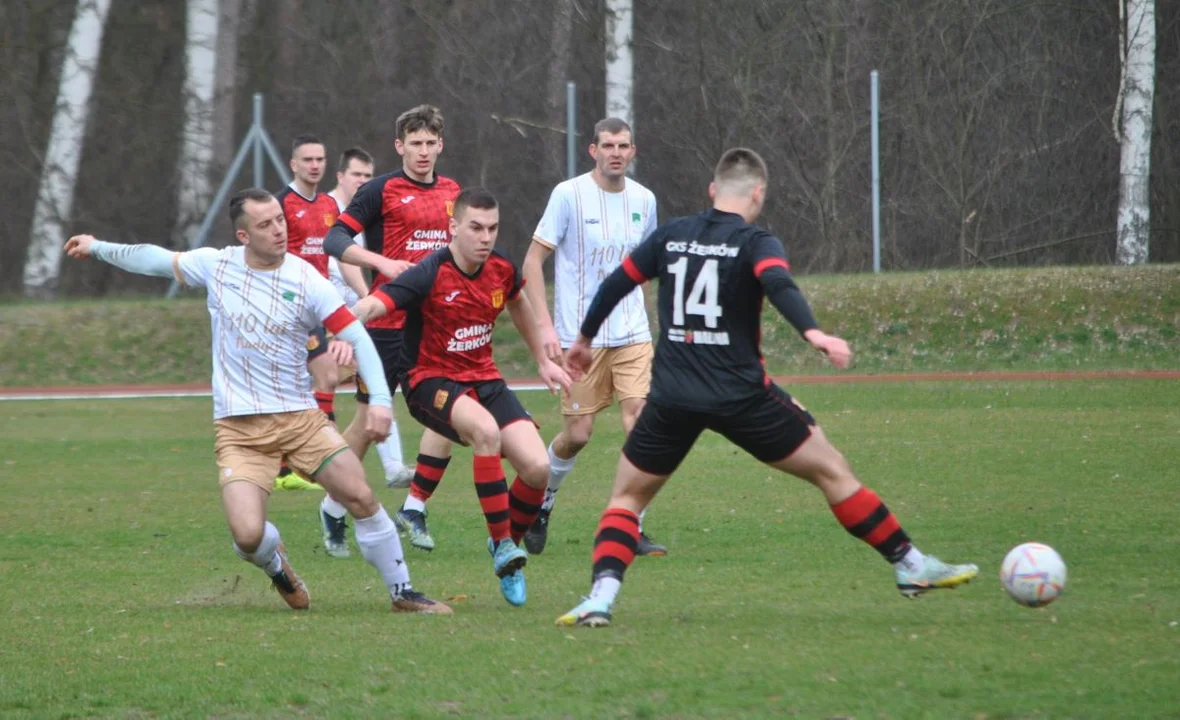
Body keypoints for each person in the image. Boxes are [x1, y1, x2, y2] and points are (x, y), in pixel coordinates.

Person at [556, 149, 978, 628]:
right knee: (834, 471)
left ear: (713, 190)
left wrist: (585, 339)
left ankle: (601, 598)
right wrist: (813, 333)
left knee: (626, 499)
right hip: (742, 398)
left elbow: (618, 282)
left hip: (673, 396)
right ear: (758, 194)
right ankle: (910, 565)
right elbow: (778, 284)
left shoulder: (672, 235)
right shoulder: (756, 240)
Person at [63, 188, 451, 615]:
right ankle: (277, 564)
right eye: (265, 225)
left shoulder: (305, 277)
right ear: (244, 236)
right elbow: (155, 258)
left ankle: (403, 592)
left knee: (360, 495)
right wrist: (98, 248)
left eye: (280, 220)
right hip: (239, 431)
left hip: (301, 420)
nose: (279, 230)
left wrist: (379, 400)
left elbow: (356, 335)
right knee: (248, 536)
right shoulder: (218, 265)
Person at [350, 187, 572, 607]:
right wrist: (337, 330)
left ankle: (503, 546)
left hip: (482, 378)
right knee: (485, 432)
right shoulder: (430, 271)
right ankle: (504, 544)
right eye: (475, 227)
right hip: (428, 381)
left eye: (492, 228)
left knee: (538, 468)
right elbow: (375, 305)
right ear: (453, 227)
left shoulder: (501, 267)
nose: (485, 237)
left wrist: (542, 359)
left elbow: (519, 300)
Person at [521, 117, 666, 557]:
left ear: (633, 151)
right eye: (608, 145)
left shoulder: (645, 200)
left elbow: (646, 268)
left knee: (638, 423)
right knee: (578, 435)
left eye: (623, 145)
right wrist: (546, 328)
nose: (616, 152)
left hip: (632, 334)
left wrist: (660, 326)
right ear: (593, 150)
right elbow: (531, 263)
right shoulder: (568, 195)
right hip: (578, 338)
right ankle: (543, 503)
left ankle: (631, 524)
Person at [322, 105, 460, 552]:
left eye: (429, 143)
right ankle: (332, 507)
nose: (422, 152)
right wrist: (380, 262)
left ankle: (415, 509)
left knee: (450, 410)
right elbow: (335, 239)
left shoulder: (453, 192)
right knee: (367, 425)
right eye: (414, 144)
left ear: (440, 144)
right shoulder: (380, 190)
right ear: (400, 146)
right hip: (386, 324)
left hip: (435, 326)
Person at [270, 135, 361, 497]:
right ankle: (301, 464)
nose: (314, 165)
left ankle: (303, 463)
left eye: (320, 159)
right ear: (293, 164)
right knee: (311, 380)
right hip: (287, 309)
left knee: (321, 380)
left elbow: (340, 255)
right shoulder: (281, 204)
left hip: (317, 308)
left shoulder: (328, 205)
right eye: (307, 159)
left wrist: (365, 293)